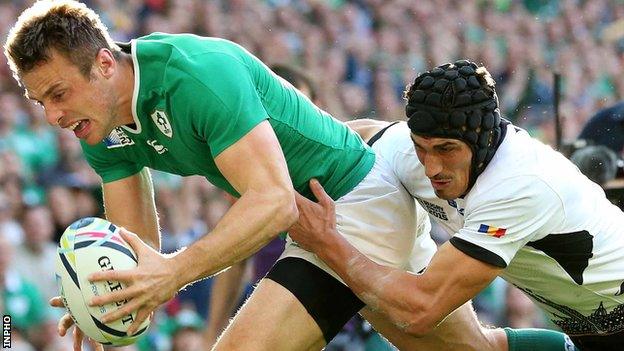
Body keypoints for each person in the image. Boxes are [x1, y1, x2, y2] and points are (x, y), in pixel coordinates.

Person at [4, 2, 510, 351]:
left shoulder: (197, 74)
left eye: (58, 93)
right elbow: (141, 251)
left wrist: (172, 274)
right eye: (40, 101)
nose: (52, 116)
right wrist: (110, 302)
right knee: (474, 347)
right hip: (317, 218)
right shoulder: (102, 130)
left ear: (104, 65)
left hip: (350, 201)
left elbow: (273, 202)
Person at [289, 60, 624, 351]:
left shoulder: (520, 184)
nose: (431, 167)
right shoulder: (410, 151)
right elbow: (353, 137)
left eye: (446, 149)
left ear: (482, 139)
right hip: (591, 336)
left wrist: (327, 241)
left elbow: (418, 311)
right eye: (422, 147)